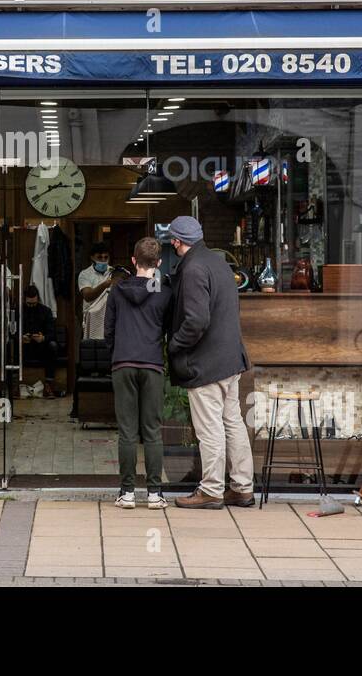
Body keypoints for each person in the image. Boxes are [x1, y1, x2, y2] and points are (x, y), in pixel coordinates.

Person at [164, 215, 255, 509]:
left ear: (177, 241)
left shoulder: (193, 269)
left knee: (209, 428)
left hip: (206, 363)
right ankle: (242, 487)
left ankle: (212, 490)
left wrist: (174, 345)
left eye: (173, 240)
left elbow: (197, 320)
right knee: (233, 424)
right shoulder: (218, 262)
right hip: (230, 359)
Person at [105, 236, 172, 510]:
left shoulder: (117, 291)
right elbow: (169, 330)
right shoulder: (164, 292)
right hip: (153, 364)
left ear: (133, 261)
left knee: (127, 432)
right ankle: (155, 493)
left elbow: (108, 332)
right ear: (157, 263)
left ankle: (128, 492)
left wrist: (118, 353)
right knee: (153, 430)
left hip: (123, 364)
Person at [20, 284, 60, 398]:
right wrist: (21, 338)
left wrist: (43, 338)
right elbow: (11, 332)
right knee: (10, 345)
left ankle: (49, 384)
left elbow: (52, 334)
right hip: (24, 348)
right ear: (24, 300)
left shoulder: (46, 311)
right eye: (29, 304)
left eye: (34, 303)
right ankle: (13, 383)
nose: (31, 306)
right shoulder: (19, 311)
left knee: (52, 346)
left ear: (38, 299)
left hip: (41, 348)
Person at [77, 240, 120, 340]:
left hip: (111, 318)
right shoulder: (85, 274)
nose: (103, 260)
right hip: (92, 319)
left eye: (106, 257)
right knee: (94, 350)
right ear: (92, 257)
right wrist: (106, 284)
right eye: (99, 257)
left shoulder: (113, 273)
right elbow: (87, 296)